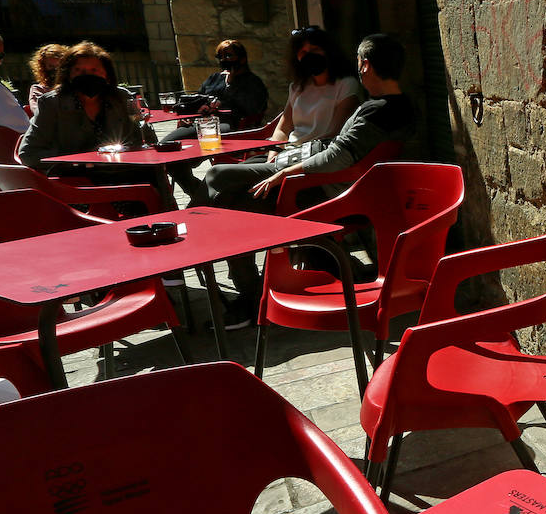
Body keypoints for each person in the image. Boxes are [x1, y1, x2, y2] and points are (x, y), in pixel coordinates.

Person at [202, 33, 415, 329]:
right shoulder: (397, 106)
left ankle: (248, 296)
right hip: (328, 182)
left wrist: (286, 172)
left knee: (228, 199)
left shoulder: (378, 110)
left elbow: (338, 156)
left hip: (325, 191)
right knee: (225, 190)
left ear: (365, 65)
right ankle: (248, 284)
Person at [17, 41, 156, 183]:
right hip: (76, 181)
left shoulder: (121, 98)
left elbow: (147, 140)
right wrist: (80, 159)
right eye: (79, 70)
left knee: (153, 174)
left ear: (107, 74)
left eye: (94, 70)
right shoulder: (51, 104)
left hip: (124, 172)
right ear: (68, 75)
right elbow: (28, 153)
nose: (87, 76)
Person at [265, 25, 362, 152]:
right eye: (303, 53)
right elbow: (282, 129)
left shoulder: (347, 85)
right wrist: (273, 155)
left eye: (315, 49)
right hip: (288, 152)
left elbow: (335, 133)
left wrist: (299, 154)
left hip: (315, 154)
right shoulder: (297, 87)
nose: (309, 56)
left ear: (328, 52)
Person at [161, 39, 269, 141]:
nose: (223, 60)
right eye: (220, 57)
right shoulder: (215, 78)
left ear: (242, 59)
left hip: (231, 125)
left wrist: (230, 84)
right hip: (203, 122)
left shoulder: (253, 82)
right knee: (169, 141)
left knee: (196, 136)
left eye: (228, 56)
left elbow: (251, 109)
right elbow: (198, 99)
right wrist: (188, 116)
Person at [27, 43, 69, 116]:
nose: (55, 70)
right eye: (51, 66)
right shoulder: (38, 90)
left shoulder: (73, 86)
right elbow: (39, 113)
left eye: (59, 66)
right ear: (43, 67)